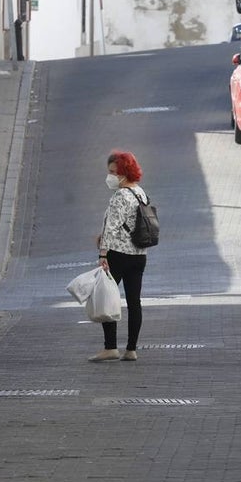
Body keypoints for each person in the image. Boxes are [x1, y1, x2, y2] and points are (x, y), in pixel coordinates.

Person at [90, 151, 150, 362]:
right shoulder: (140, 192)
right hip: (139, 255)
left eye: (114, 172)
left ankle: (110, 347)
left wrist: (103, 253)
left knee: (107, 297)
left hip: (118, 254)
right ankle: (131, 349)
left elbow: (113, 227)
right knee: (134, 302)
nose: (111, 177)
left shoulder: (119, 196)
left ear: (124, 173)